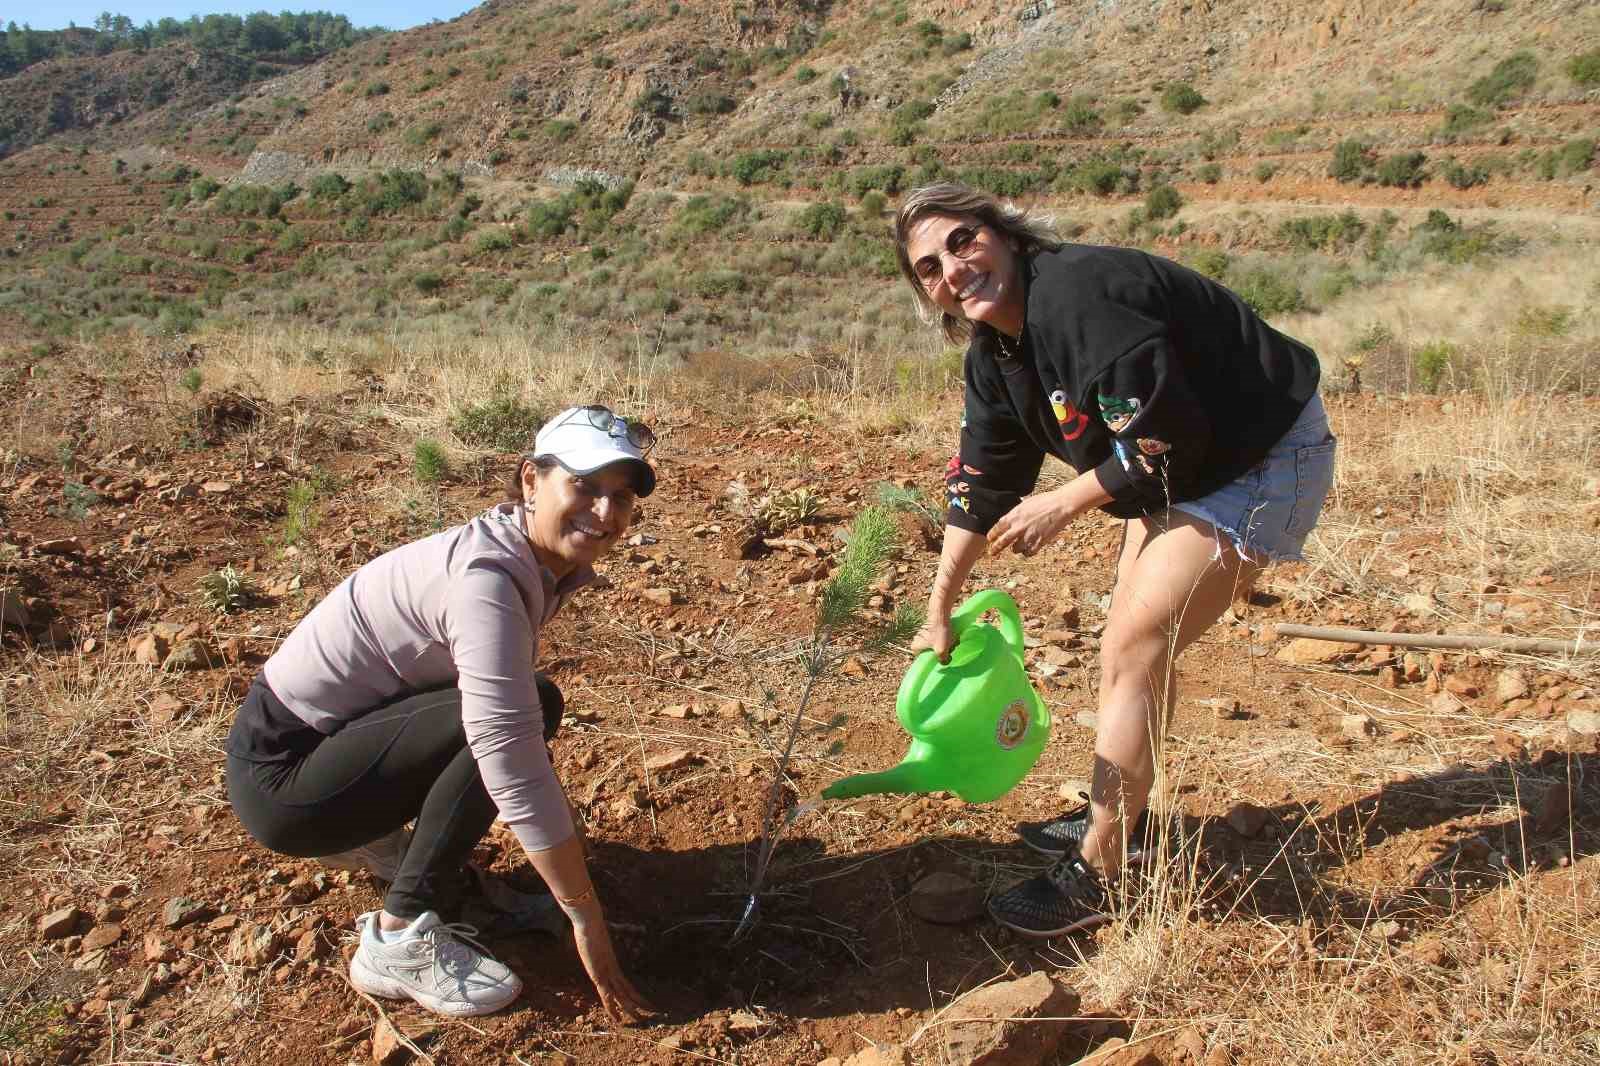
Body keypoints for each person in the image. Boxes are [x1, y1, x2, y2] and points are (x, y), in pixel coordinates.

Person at [893, 183, 1335, 938]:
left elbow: (1166, 438)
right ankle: (1118, 815)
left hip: (1258, 456)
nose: (953, 269)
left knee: (1134, 643)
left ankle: (1099, 871)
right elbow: (982, 484)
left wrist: (1066, 503)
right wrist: (937, 606)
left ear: (1003, 233)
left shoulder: (1080, 297)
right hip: (1179, 469)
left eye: (962, 241)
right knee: (1129, 650)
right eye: (929, 267)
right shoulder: (996, 353)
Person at [225, 405, 660, 1020]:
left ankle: (378, 839)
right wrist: (584, 912)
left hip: (318, 742)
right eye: (584, 487)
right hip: (283, 781)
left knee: (525, 701)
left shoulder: (518, 551)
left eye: (620, 496)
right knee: (523, 709)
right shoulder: (487, 579)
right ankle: (397, 939)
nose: (605, 512)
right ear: (531, 482)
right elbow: (503, 745)